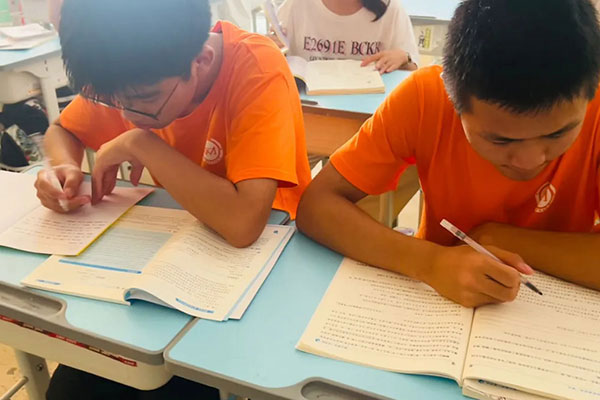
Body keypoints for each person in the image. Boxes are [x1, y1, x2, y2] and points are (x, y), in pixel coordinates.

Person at [296, 0, 600, 308]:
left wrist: (500, 238)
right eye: (500, 140)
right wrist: (430, 263)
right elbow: (317, 205)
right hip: (440, 302)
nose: (529, 160)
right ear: (453, 100)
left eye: (557, 134)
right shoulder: (426, 98)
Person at [35, 0, 310, 249]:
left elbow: (244, 225)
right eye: (110, 100)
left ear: (201, 61)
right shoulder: (126, 75)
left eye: (145, 99)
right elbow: (62, 130)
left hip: (279, 239)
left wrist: (139, 143)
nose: (127, 115)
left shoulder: (257, 68)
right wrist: (64, 168)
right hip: (185, 231)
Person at [274, 0, 419, 73]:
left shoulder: (390, 8)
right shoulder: (297, 4)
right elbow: (277, 49)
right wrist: (271, 47)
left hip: (370, 110)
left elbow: (412, 67)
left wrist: (404, 58)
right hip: (310, 109)